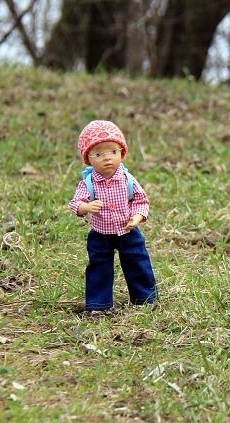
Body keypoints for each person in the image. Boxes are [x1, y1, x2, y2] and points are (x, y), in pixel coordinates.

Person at [69, 120, 157, 315]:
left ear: (121, 153)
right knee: (99, 266)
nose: (107, 159)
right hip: (100, 234)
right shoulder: (89, 183)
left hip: (127, 230)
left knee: (137, 261)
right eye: (99, 154)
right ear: (88, 159)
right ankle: (99, 304)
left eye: (113, 152)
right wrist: (86, 207)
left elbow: (141, 200)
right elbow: (75, 203)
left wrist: (137, 216)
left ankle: (144, 297)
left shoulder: (127, 179)